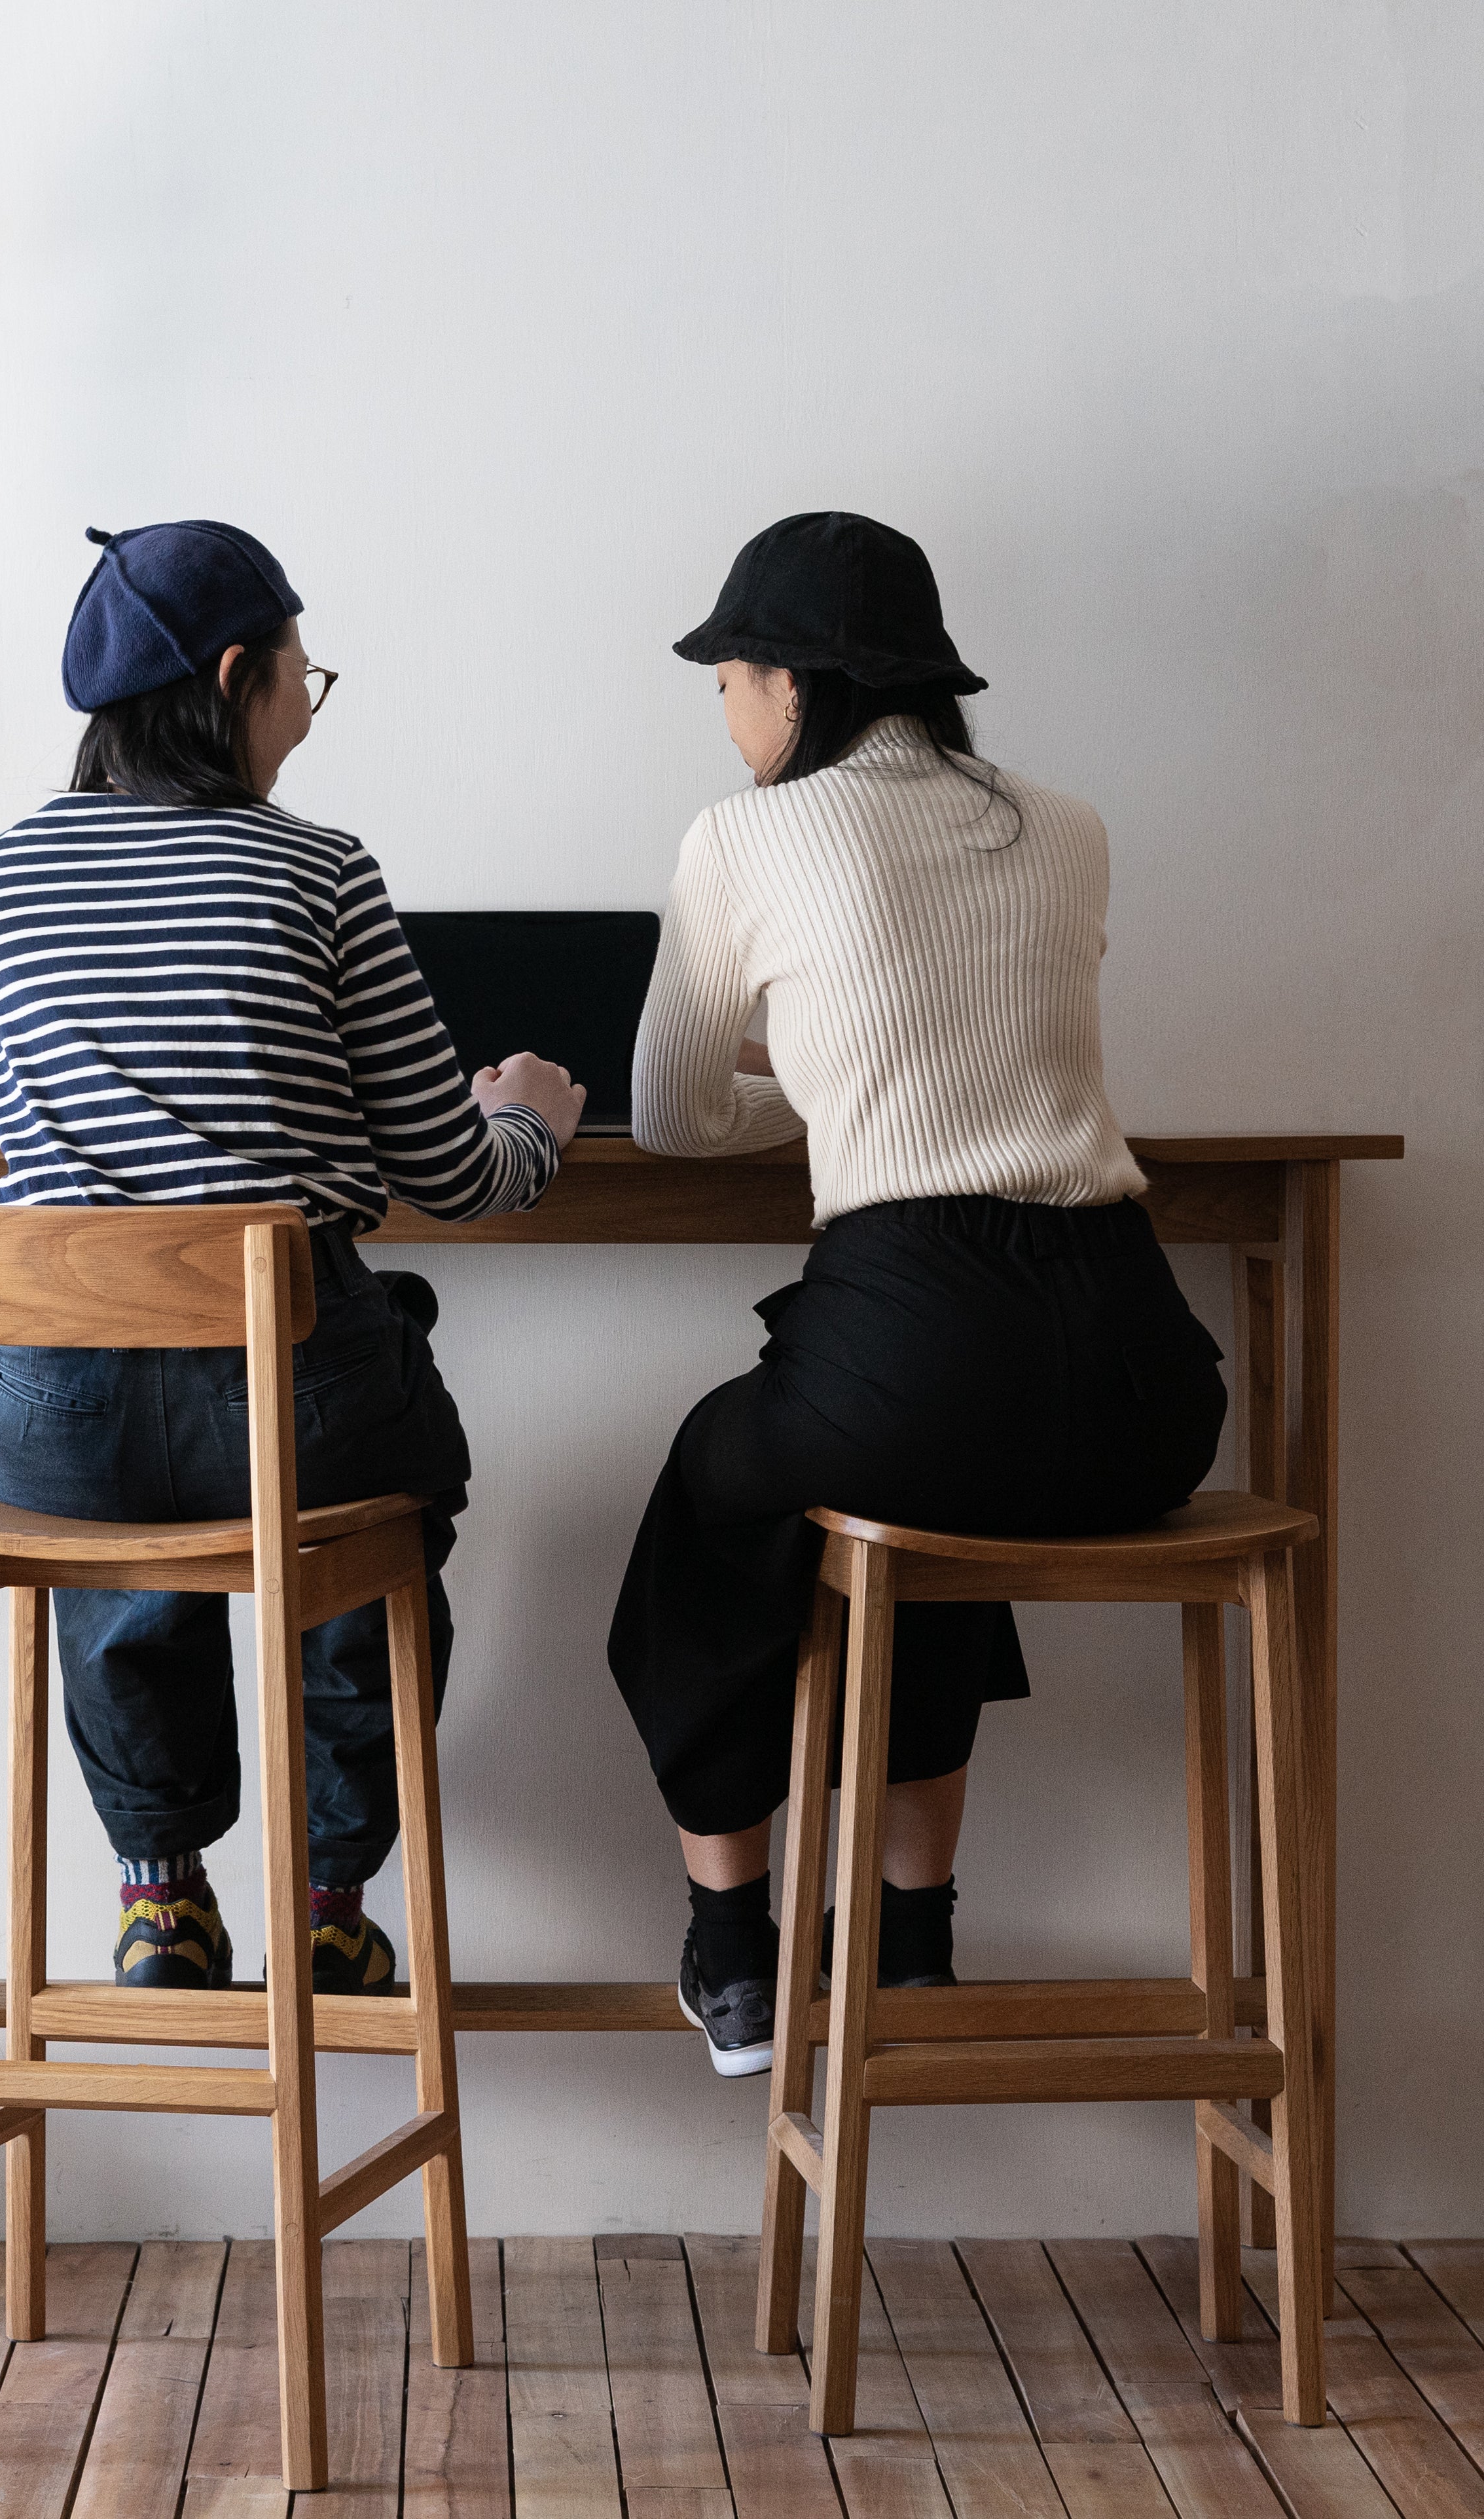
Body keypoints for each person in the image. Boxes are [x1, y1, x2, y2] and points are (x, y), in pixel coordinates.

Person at [609, 511, 1226, 2078]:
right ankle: (911, 1936)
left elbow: (674, 1113)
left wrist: (801, 1085)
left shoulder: (739, 839)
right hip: (1147, 1386)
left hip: (921, 1333)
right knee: (936, 1502)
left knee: (717, 1486)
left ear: (796, 683)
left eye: (731, 675)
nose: (724, 709)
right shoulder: (1067, 825)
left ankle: (731, 1949)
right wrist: (842, 1071)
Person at [0, 519, 587, 1995]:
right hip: (291, 1413)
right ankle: (328, 1895)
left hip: (50, 1425)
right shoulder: (319, 876)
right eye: (307, 674)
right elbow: (450, 1175)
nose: (306, 702)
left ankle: (158, 1894)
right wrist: (531, 1120)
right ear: (239, 676)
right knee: (364, 1496)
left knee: (125, 1497)